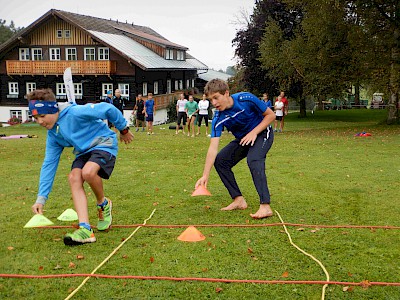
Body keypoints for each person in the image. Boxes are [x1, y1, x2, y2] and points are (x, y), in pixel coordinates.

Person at [28, 88, 134, 245]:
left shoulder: (75, 112)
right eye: (36, 118)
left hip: (103, 143)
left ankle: (102, 204)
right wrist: (41, 199)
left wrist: (123, 129)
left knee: (88, 172)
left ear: (53, 109)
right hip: (84, 152)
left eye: (42, 116)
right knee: (74, 178)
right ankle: (85, 230)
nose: (40, 122)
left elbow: (108, 109)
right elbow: (49, 164)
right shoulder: (53, 135)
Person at [195, 79, 275, 219]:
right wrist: (205, 175)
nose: (213, 103)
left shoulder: (246, 99)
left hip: (262, 133)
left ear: (226, 93)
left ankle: (265, 206)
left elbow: (271, 115)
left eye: (216, 98)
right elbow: (213, 148)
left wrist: (254, 132)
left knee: (254, 159)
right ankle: (238, 200)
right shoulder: (218, 118)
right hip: (243, 139)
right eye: (210, 99)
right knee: (221, 161)